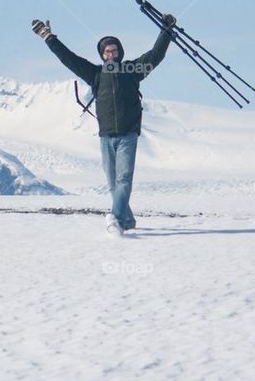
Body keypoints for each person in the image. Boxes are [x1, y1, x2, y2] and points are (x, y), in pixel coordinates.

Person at [31, 14, 176, 235]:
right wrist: (49, 38)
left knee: (124, 180)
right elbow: (68, 58)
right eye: (107, 51)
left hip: (128, 134)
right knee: (112, 184)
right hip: (106, 135)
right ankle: (127, 220)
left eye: (115, 51)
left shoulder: (132, 71)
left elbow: (155, 55)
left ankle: (115, 218)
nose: (111, 54)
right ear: (102, 54)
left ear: (120, 53)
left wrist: (166, 31)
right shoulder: (95, 74)